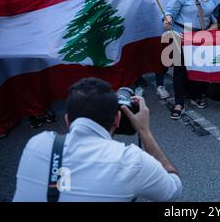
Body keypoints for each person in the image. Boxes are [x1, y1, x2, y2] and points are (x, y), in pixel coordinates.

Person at [13, 78, 182, 202]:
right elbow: (173, 190)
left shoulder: (36, 144)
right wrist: (144, 131)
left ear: (67, 121)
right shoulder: (131, 161)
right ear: (117, 119)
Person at [164, 0, 220, 120]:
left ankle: (196, 96)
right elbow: (170, 12)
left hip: (201, 35)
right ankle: (179, 102)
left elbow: (216, 18)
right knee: (180, 70)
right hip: (180, 33)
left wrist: (209, 32)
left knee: (198, 67)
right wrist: (167, 20)